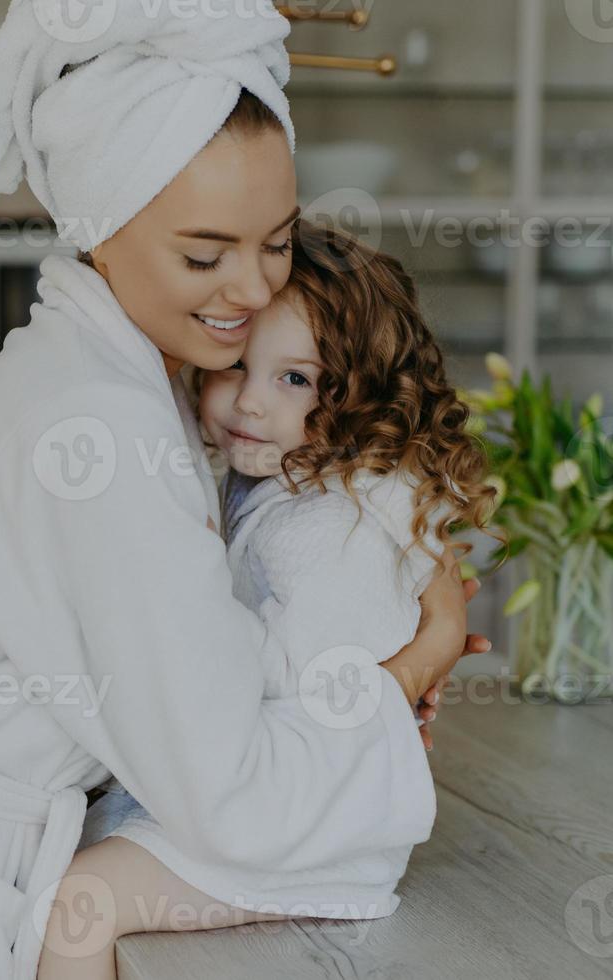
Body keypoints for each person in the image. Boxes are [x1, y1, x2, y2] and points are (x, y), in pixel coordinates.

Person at [0, 5, 488, 979]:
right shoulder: (98, 430)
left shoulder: (115, 376)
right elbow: (231, 791)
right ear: (100, 228)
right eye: (204, 255)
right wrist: (414, 662)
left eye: (277, 242)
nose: (250, 289)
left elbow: (191, 666)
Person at [39, 219, 499, 979]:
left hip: (305, 829)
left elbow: (305, 694)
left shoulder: (335, 528)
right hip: (259, 791)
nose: (247, 404)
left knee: (79, 900)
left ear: (358, 392)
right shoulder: (274, 473)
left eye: (293, 378)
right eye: (235, 368)